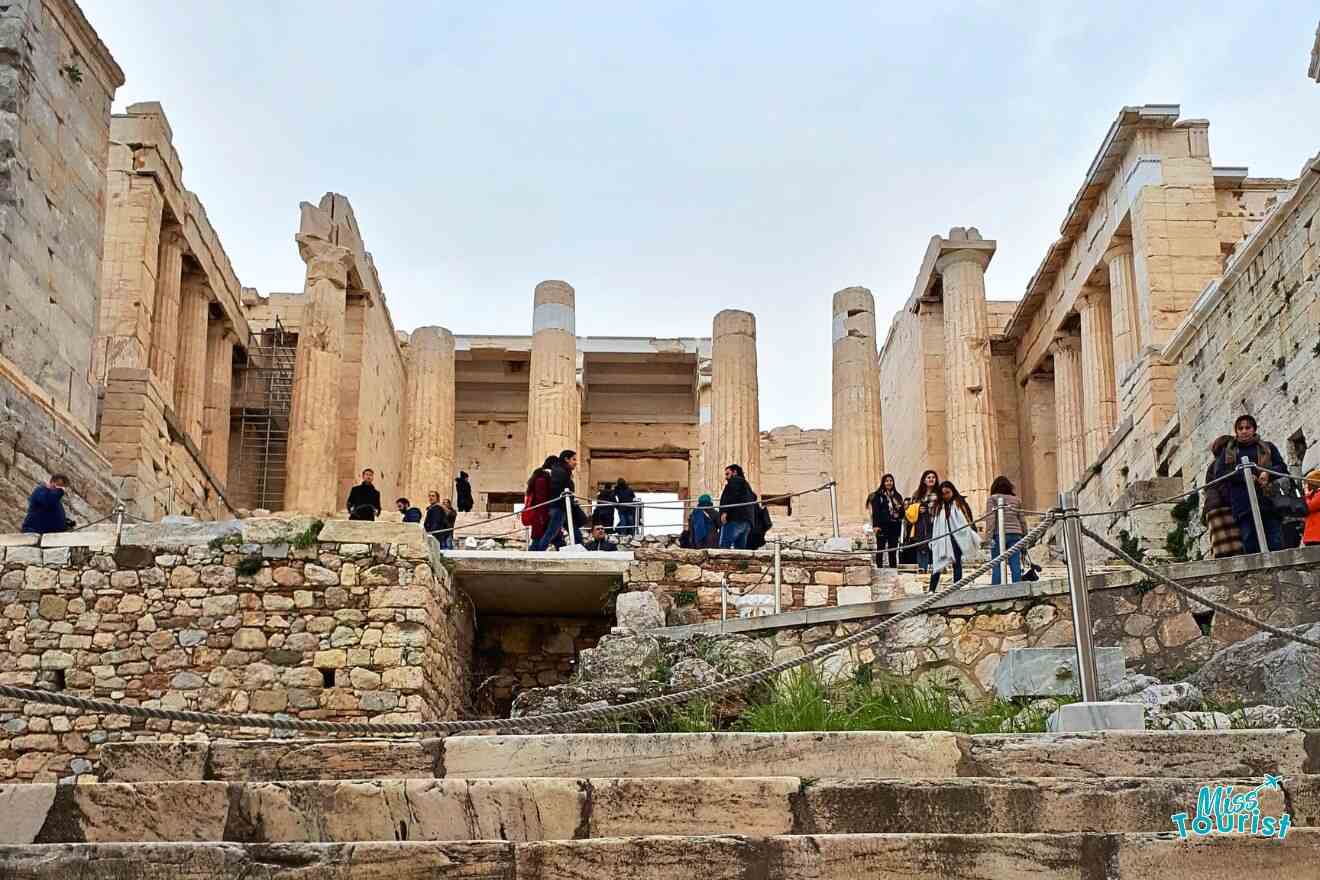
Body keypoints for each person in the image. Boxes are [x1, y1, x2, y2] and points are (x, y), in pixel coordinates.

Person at [1210, 415, 1285, 554]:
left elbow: (1281, 467)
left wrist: (1267, 473)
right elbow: (1220, 473)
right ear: (1236, 431)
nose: (1244, 431)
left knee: (1275, 541)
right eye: (1240, 428)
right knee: (1250, 542)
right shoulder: (1229, 451)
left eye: (1248, 427)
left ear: (1254, 429)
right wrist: (1244, 475)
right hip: (1243, 504)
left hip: (1269, 500)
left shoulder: (1268, 447)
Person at [928, 480, 979, 593]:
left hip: (957, 537)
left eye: (948, 492)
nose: (945, 495)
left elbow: (967, 517)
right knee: (938, 562)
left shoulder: (959, 502)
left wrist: (972, 529)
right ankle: (931, 589)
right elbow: (934, 523)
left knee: (957, 563)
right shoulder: (938, 506)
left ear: (952, 491)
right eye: (943, 493)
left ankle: (956, 588)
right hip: (942, 537)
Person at [530, 450, 586, 551]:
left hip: (562, 507)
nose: (576, 462)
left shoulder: (561, 471)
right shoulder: (560, 472)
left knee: (568, 532)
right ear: (566, 459)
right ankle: (537, 553)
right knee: (550, 533)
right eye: (574, 459)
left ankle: (580, 549)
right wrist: (569, 501)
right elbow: (559, 490)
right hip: (560, 507)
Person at [1201, 435, 1243, 559]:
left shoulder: (1214, 464)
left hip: (1213, 507)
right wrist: (1233, 503)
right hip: (1222, 507)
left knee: (1222, 548)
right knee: (1234, 548)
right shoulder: (1222, 463)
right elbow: (1222, 486)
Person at [985, 476, 1026, 585]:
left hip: (999, 534)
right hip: (1016, 533)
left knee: (997, 563)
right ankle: (1017, 588)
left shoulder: (992, 499)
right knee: (1015, 563)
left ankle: (996, 590)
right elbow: (1022, 520)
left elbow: (991, 520)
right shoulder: (1017, 500)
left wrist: (988, 538)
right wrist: (1025, 537)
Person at [718, 464, 757, 549]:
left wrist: (725, 511)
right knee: (740, 551)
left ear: (734, 472)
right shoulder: (746, 485)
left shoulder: (735, 481)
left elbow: (731, 496)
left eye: (727, 474)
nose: (726, 477)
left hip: (734, 519)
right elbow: (754, 497)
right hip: (747, 522)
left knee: (724, 547)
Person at [909, 470, 940, 573]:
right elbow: (910, 508)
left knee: (936, 545)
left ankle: (937, 569)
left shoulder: (939, 493)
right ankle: (922, 569)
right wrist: (918, 509)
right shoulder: (917, 494)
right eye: (928, 477)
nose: (931, 479)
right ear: (924, 480)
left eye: (933, 477)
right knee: (922, 547)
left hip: (936, 522)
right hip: (921, 523)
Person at [870, 474, 904, 568]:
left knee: (892, 549)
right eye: (887, 481)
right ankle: (879, 568)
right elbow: (875, 512)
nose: (889, 483)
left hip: (894, 525)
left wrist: (900, 510)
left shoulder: (897, 496)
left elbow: (902, 513)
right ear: (883, 483)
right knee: (880, 548)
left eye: (891, 481)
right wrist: (875, 525)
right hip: (882, 526)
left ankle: (893, 568)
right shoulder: (878, 496)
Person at [525, 456, 558, 549]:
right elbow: (541, 500)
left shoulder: (539, 476)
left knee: (542, 539)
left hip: (541, 515)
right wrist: (544, 517)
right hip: (542, 515)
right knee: (539, 540)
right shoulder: (543, 479)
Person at [1303, 468, 1320, 547]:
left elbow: (1309, 506)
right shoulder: (1314, 494)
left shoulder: (1318, 494)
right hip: (1313, 535)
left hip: (1316, 535)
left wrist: (1306, 494)